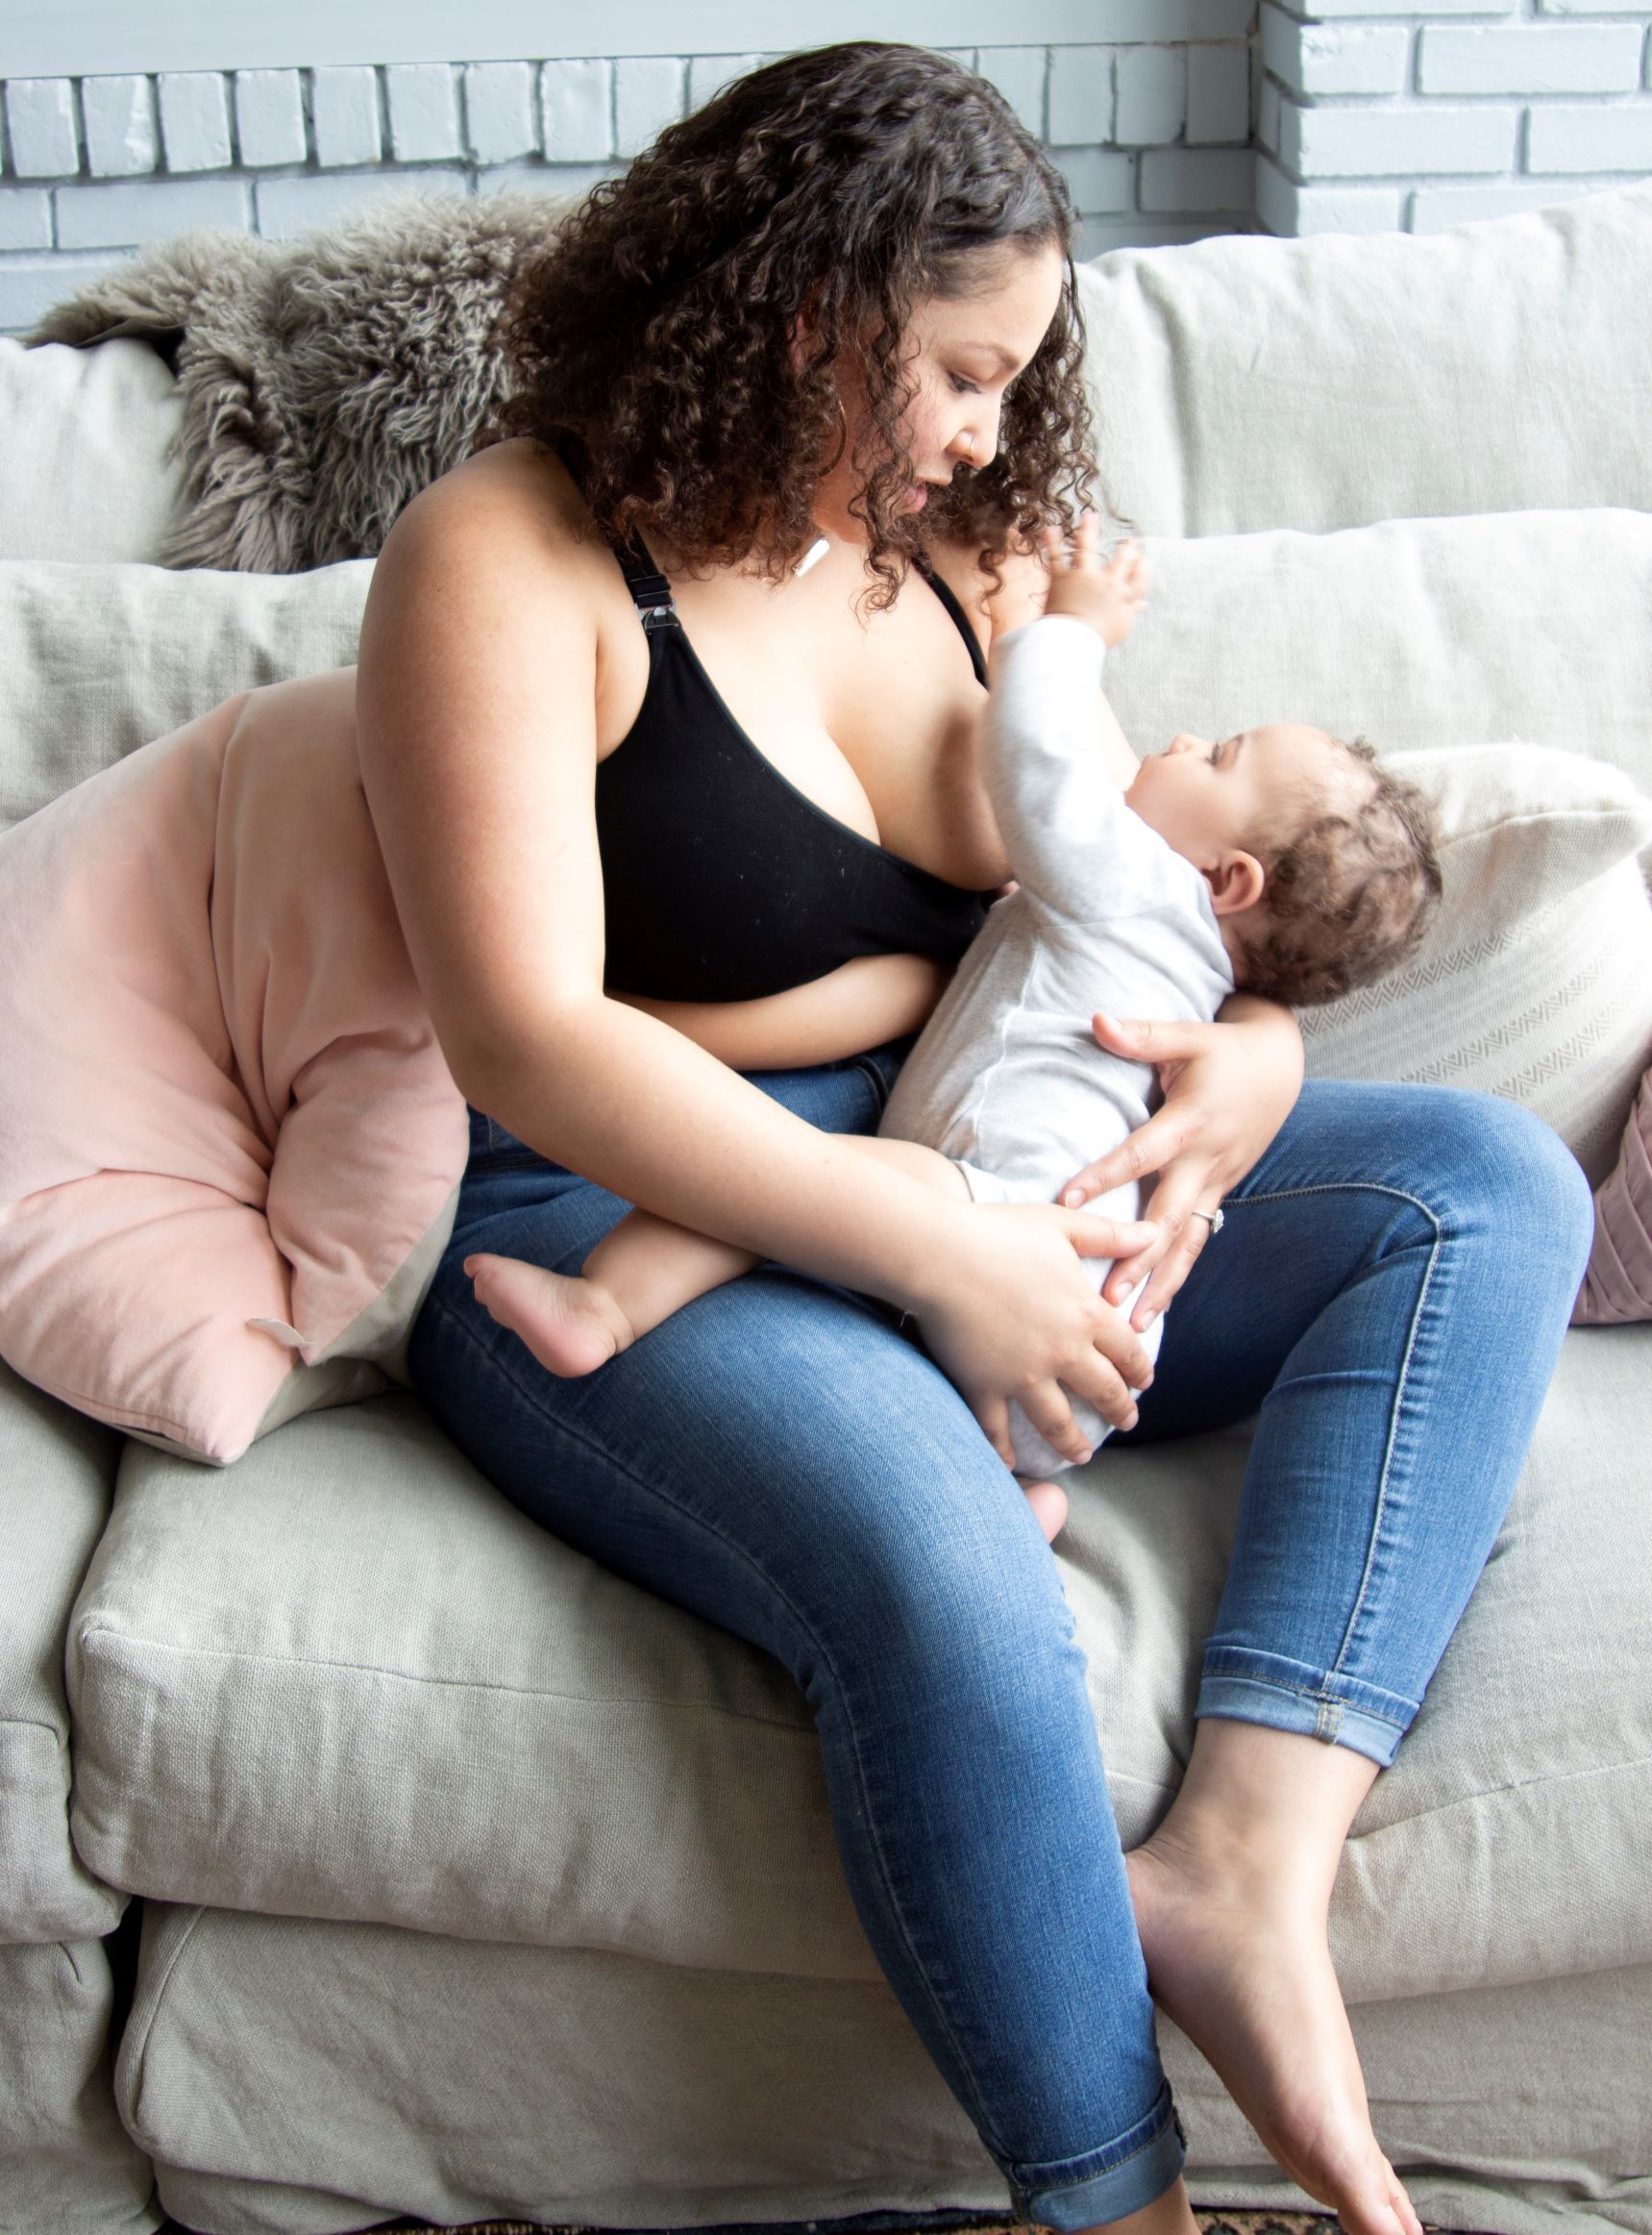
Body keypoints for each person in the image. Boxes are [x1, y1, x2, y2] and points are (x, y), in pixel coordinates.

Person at [356, 41, 1593, 2235]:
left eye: (1017, 379)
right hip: (636, 1205)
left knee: (1480, 1183)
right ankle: (1123, 2211)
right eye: (954, 370)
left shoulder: (959, 554)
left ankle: (1238, 1863)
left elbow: (1149, 880)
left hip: (1004, 1138)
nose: (988, 433)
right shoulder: (506, 557)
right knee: (954, 1582)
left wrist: (1254, 1065)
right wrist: (924, 1246)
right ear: (799, 310)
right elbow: (529, 1036)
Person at [456, 520, 1442, 1537]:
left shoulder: (1134, 885)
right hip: (1080, 1307)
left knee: (792, 1179)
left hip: (999, 1206)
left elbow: (1039, 759)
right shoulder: (1189, 963)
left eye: (1220, 756)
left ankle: (606, 1307)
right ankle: (1024, 1493)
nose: (1185, 740)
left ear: (1227, 881)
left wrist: (1070, 633)